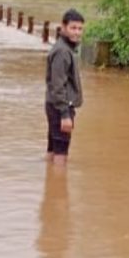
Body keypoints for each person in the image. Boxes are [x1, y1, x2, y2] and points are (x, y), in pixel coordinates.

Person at [45, 9, 85, 164]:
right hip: (60, 106)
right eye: (73, 28)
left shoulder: (65, 48)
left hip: (54, 104)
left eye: (80, 29)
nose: (77, 32)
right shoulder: (62, 51)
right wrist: (65, 114)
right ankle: (59, 186)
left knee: (53, 149)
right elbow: (58, 85)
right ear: (63, 27)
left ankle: (51, 184)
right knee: (61, 153)